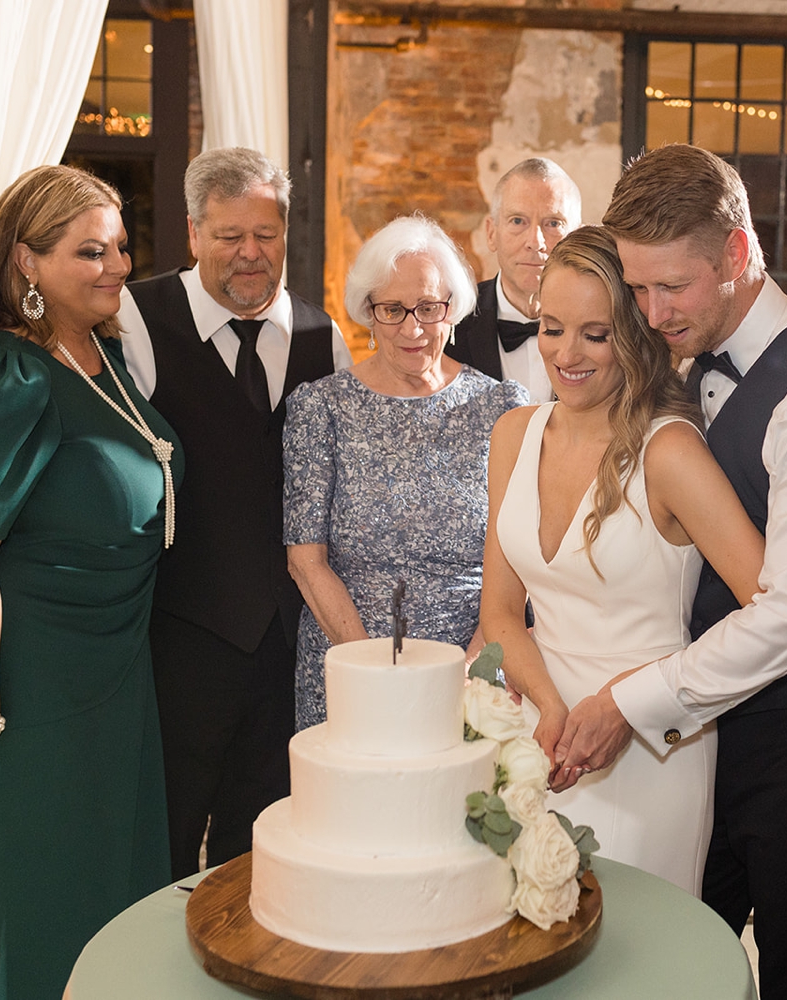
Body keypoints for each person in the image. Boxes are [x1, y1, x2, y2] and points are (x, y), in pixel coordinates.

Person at [556, 143, 787, 998]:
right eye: (636, 289)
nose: (652, 309)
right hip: (708, 737)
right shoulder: (681, 353)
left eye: (670, 286)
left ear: (740, 254)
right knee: (678, 960)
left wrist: (625, 700)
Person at [0, 165, 179, 999]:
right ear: (26, 261)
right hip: (30, 702)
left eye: (122, 247)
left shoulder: (107, 353)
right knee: (37, 915)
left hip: (115, 685)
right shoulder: (11, 375)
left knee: (109, 918)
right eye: (89, 252)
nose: (117, 267)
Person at [481, 226, 765, 895]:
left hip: (647, 751)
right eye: (551, 328)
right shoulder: (512, 435)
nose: (566, 353)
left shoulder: (669, 453)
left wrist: (635, 703)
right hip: (537, 742)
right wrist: (549, 710)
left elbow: (774, 609)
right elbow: (498, 611)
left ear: (634, 336)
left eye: (595, 334)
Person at [115, 147, 353, 880]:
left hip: (288, 653)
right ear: (193, 234)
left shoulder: (327, 340)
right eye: (229, 237)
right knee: (165, 837)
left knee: (266, 852)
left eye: (267, 235)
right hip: (178, 642)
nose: (250, 254)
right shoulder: (135, 319)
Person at [284, 215, 528, 728]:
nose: (412, 328)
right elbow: (306, 562)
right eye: (393, 309)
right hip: (350, 675)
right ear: (368, 313)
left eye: (428, 307)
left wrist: (467, 672)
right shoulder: (320, 407)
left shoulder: (503, 407)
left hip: (475, 678)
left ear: (453, 309)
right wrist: (374, 671)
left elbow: (519, 562)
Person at [445, 157, 582, 403]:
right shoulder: (450, 325)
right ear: (491, 233)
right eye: (518, 221)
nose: (535, 242)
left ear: (577, 237)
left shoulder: (609, 327)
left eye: (553, 223)